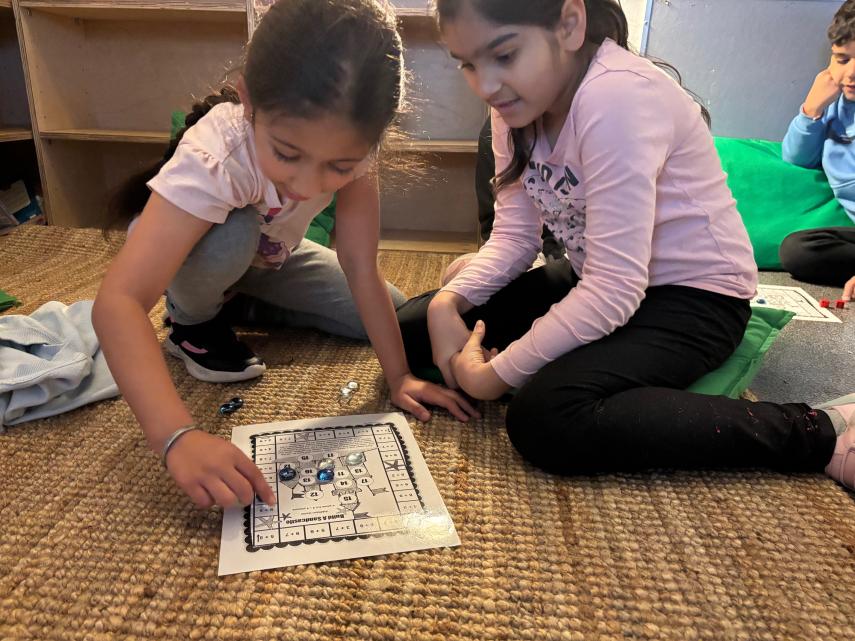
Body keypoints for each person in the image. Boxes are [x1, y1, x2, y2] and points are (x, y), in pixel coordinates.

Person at [397, 0, 855, 488]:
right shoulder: (511, 107)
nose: (485, 86)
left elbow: (614, 289)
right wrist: (447, 304)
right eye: (468, 63)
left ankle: (819, 432)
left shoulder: (618, 97)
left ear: (570, 24)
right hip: (593, 276)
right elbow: (513, 236)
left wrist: (494, 376)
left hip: (697, 299)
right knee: (410, 332)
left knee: (546, 416)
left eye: (504, 55)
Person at [93, 0, 477, 510]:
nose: (306, 184)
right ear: (248, 100)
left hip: (270, 257)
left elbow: (361, 266)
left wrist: (399, 374)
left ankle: (242, 301)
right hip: (195, 256)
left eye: (338, 166)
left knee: (391, 307)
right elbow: (116, 302)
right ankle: (193, 322)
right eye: (287, 155)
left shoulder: (361, 150)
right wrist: (176, 437)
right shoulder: (217, 153)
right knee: (236, 234)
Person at [780, 0, 855, 303]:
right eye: (842, 59)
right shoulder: (834, 108)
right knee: (797, 251)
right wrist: (811, 110)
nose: (850, 74)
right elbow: (797, 158)